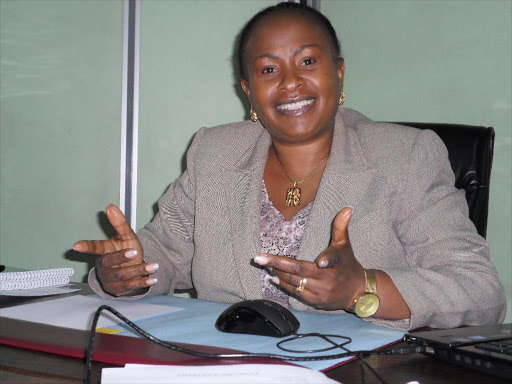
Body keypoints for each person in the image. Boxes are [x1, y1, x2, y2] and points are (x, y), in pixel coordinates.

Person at [73, 3, 506, 330]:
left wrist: (361, 289)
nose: (290, 83)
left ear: (339, 73)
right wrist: (128, 272)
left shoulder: (404, 157)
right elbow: (165, 251)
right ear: (248, 92)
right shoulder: (215, 153)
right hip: (226, 365)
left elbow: (480, 291)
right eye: (267, 69)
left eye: (308, 62)